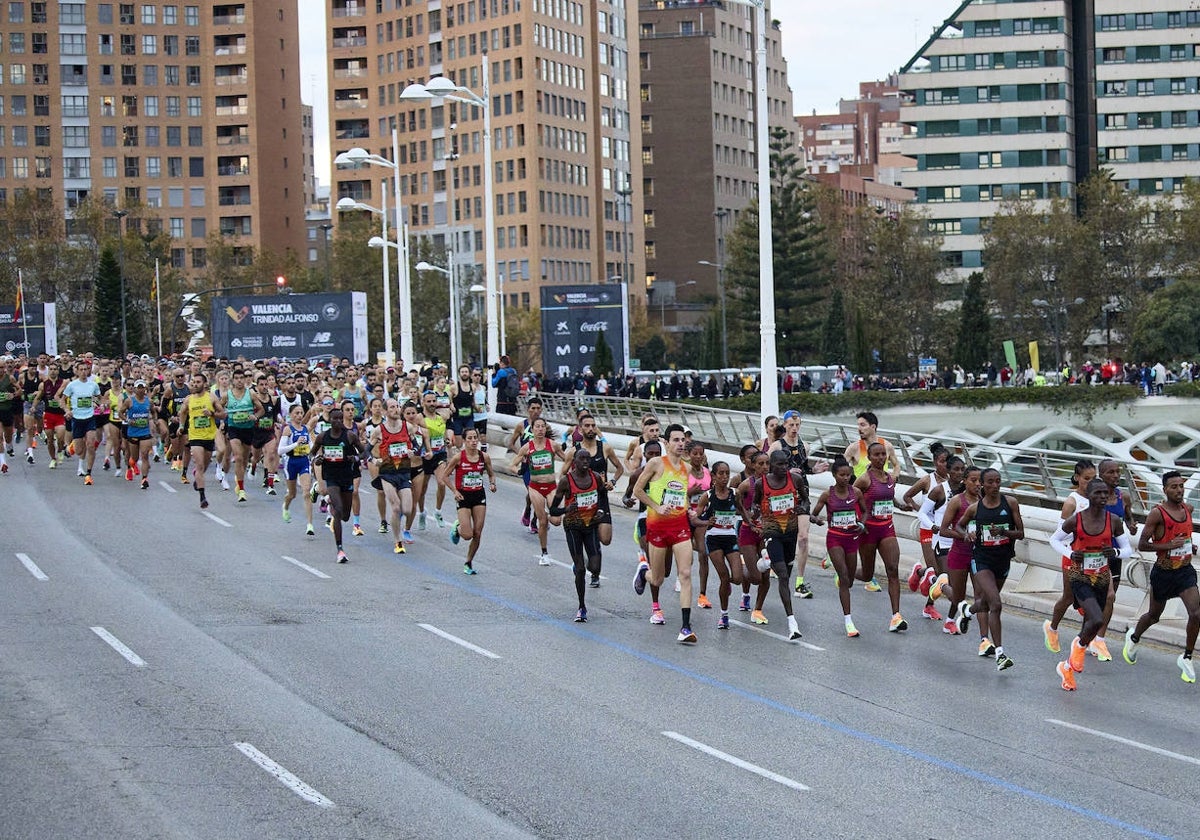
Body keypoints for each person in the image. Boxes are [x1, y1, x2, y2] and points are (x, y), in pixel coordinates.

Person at [1048, 478, 1132, 690]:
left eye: (1105, 493)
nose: (1103, 497)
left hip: (1102, 577)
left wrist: (1115, 552)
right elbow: (1054, 540)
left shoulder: (1113, 520)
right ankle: (1079, 645)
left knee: (1091, 624)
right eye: (1098, 493)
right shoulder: (1076, 520)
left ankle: (1066, 668)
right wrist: (1070, 553)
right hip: (1079, 576)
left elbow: (1128, 550)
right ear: (1089, 496)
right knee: (1095, 618)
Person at [1125, 471, 1198, 683]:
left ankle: (1187, 657)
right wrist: (1169, 546)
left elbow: (1184, 534)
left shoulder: (1188, 509)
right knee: (1154, 615)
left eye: (1181, 486)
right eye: (1173, 487)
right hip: (1164, 572)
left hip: (1184, 571)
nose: (1178, 490)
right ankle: (1135, 636)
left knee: (1195, 613)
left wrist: (1188, 545)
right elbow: (1143, 544)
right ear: (1165, 490)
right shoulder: (1157, 514)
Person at [952, 468, 1026, 670]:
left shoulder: (1010, 503)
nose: (995, 486)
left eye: (998, 482)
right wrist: (966, 535)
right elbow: (959, 526)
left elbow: (1020, 534)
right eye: (990, 482)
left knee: (983, 603)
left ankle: (967, 611)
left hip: (1003, 560)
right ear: (982, 485)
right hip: (982, 560)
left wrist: (1004, 532)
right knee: (995, 603)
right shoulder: (975, 509)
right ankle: (1000, 654)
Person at [632, 423, 699, 644]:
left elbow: (680, 494)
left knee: (686, 574)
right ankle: (645, 573)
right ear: (667, 442)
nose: (681, 444)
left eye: (683, 440)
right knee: (658, 578)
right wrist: (657, 506)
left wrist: (688, 509)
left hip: (680, 527)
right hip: (658, 527)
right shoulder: (655, 463)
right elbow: (637, 491)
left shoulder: (686, 469)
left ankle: (685, 627)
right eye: (676, 440)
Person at [747, 449, 807, 640]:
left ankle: (766, 562)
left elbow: (805, 499)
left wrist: (802, 508)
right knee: (782, 575)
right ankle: (792, 623)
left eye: (786, 464)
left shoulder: (795, 480)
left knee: (786, 574)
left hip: (790, 532)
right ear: (771, 466)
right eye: (780, 465)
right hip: (771, 531)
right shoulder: (760, 484)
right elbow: (755, 505)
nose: (784, 468)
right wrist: (755, 512)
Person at [770, 410, 829, 599]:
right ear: (785, 425)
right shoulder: (777, 446)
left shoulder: (805, 445)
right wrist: (786, 473)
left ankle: (800, 582)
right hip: (782, 496)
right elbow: (766, 469)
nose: (794, 428)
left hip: (801, 495)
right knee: (781, 536)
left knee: (803, 538)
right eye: (791, 425)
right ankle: (774, 563)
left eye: (797, 425)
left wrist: (814, 470)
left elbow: (803, 469)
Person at [853, 441, 912, 631]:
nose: (880, 458)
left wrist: (900, 506)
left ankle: (896, 616)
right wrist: (857, 521)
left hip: (886, 528)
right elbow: (849, 498)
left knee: (893, 569)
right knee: (867, 574)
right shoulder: (864, 479)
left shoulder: (889, 478)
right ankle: (844, 569)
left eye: (882, 454)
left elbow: (888, 496)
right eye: (876, 455)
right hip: (868, 531)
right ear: (869, 458)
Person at [1042, 460, 1097, 656]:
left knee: (1092, 599)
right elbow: (1060, 536)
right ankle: (1052, 627)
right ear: (1077, 478)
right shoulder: (1071, 503)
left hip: (1093, 557)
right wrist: (1073, 552)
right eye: (1086, 479)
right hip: (1072, 557)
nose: (1090, 483)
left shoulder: (1097, 498)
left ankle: (1085, 640)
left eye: (1093, 478)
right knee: (1069, 597)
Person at [810, 456, 864, 637]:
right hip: (835, 538)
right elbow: (813, 514)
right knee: (843, 577)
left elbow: (865, 512)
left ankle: (835, 565)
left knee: (848, 579)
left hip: (852, 538)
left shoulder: (856, 492)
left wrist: (862, 524)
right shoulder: (827, 495)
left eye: (848, 475)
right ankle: (849, 621)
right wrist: (817, 520)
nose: (845, 478)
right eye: (842, 475)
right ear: (834, 475)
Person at [549, 450, 606, 621]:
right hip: (573, 527)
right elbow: (553, 509)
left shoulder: (595, 477)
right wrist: (566, 510)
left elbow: (602, 494)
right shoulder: (566, 481)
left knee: (595, 568)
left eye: (588, 459)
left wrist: (601, 511)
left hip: (591, 526)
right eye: (581, 458)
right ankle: (582, 607)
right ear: (574, 461)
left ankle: (585, 562)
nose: (585, 461)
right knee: (580, 570)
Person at [310, 406, 366, 563]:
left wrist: (354, 459)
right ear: (330, 420)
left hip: (346, 477)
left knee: (346, 516)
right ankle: (340, 550)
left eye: (340, 419)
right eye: (335, 419)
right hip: (331, 477)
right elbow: (312, 453)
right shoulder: (323, 437)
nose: (338, 422)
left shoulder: (349, 436)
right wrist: (316, 460)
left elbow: (364, 452)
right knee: (338, 511)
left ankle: (330, 502)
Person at [1094, 458, 1137, 658]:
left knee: (1109, 597)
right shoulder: (1094, 497)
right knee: (1103, 597)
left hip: (1116, 554)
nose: (1115, 475)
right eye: (1110, 472)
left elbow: (1128, 516)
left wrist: (1131, 525)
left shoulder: (1124, 496)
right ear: (1100, 475)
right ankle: (1095, 637)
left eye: (1117, 472)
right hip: (1095, 554)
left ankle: (1098, 638)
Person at [439, 427, 496, 574]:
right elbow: (444, 476)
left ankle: (468, 562)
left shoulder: (484, 457)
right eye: (469, 438)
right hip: (463, 496)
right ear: (464, 441)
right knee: (467, 535)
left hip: (478, 495)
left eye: (475, 438)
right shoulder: (458, 457)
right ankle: (458, 528)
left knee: (477, 532)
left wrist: (492, 483)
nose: (473, 441)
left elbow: (491, 474)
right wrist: (454, 491)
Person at [693, 461, 743, 629]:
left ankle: (724, 586)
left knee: (736, 578)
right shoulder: (707, 496)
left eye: (727, 473)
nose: (724, 477)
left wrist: (753, 523)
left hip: (730, 537)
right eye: (720, 473)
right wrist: (707, 521)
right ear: (713, 476)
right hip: (713, 538)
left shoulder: (734, 494)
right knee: (724, 576)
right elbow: (695, 519)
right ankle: (724, 615)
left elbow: (742, 511)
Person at [904, 443, 951, 620]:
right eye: (941, 461)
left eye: (947, 461)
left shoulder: (953, 483)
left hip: (944, 533)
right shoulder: (927, 480)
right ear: (934, 462)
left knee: (942, 574)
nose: (944, 465)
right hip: (927, 530)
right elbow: (907, 495)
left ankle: (920, 577)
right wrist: (919, 509)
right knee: (936, 571)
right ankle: (923, 577)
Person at [509, 416, 564, 564]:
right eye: (537, 427)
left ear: (546, 429)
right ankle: (544, 553)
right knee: (543, 522)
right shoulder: (527, 447)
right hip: (536, 488)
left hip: (552, 486)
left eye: (542, 427)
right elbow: (512, 465)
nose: (540, 429)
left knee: (557, 521)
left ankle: (545, 512)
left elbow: (567, 460)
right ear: (532, 430)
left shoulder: (553, 445)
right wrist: (518, 471)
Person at [178, 372, 224, 508]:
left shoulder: (211, 398)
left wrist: (212, 414)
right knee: (199, 465)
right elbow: (183, 412)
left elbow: (223, 414)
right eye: (193, 382)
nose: (195, 384)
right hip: (195, 436)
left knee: (205, 464)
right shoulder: (188, 399)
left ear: (204, 384)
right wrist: (181, 426)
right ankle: (202, 497)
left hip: (209, 435)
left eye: (198, 382)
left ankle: (198, 478)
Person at [277, 403, 316, 537]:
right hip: (291, 462)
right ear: (291, 415)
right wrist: (295, 444)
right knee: (292, 494)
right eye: (297, 413)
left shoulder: (306, 429)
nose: (299, 416)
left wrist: (315, 455)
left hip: (304, 461)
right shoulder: (288, 429)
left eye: (301, 413)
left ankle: (310, 524)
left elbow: (311, 447)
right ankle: (286, 506)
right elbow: (280, 450)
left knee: (306, 492)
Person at [62, 360, 102, 484]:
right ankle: (71, 447)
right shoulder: (72, 385)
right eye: (81, 370)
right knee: (79, 450)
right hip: (77, 419)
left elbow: (98, 398)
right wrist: (67, 410)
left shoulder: (93, 385)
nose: (84, 372)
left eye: (86, 369)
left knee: (90, 445)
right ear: (77, 371)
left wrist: (98, 405)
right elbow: (62, 400)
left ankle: (89, 473)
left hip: (89, 418)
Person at [118, 379, 155, 490]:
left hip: (145, 432)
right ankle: (131, 463)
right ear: (135, 389)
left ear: (145, 389)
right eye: (138, 387)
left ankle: (144, 479)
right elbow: (120, 413)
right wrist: (128, 420)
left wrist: (154, 419)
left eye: (142, 387)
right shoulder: (129, 401)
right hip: (133, 432)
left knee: (144, 455)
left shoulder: (149, 401)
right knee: (134, 457)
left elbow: (153, 411)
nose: (140, 389)